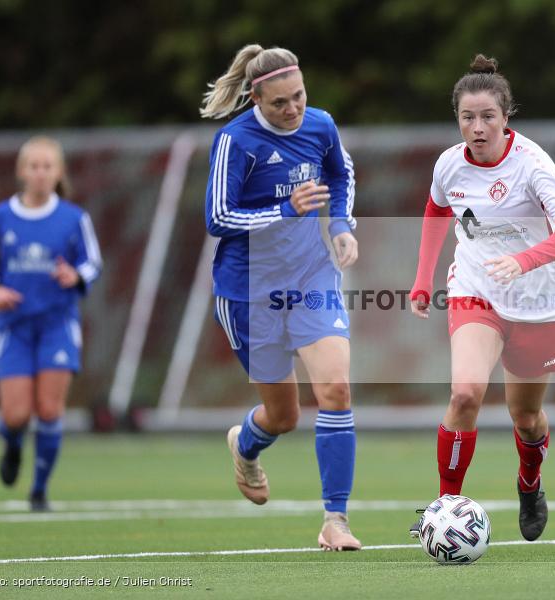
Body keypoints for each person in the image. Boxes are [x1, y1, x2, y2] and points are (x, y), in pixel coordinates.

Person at [409, 55, 555, 541]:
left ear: (506, 117)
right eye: (468, 117)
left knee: (526, 418)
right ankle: (445, 507)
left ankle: (529, 482)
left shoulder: (532, 165)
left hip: (536, 303)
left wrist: (524, 260)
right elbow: (435, 209)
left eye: (488, 116)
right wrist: (423, 278)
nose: (478, 126)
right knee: (465, 393)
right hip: (475, 291)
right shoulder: (449, 164)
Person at [200, 45, 361, 550]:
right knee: (284, 416)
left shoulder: (321, 126)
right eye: (280, 104)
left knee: (335, 389)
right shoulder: (235, 140)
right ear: (256, 99)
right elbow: (217, 218)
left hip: (311, 277)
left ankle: (335, 521)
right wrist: (285, 209)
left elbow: (341, 174)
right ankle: (245, 443)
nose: (292, 110)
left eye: (299, 98)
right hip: (248, 289)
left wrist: (339, 225)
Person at [0, 136, 103, 511]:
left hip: (57, 324)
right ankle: (12, 445)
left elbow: (92, 262)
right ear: (21, 171)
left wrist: (74, 277)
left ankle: (39, 489)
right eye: (34, 166)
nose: (41, 173)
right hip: (14, 327)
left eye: (48, 166)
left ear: (58, 172)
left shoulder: (74, 218)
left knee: (48, 410)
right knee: (15, 414)